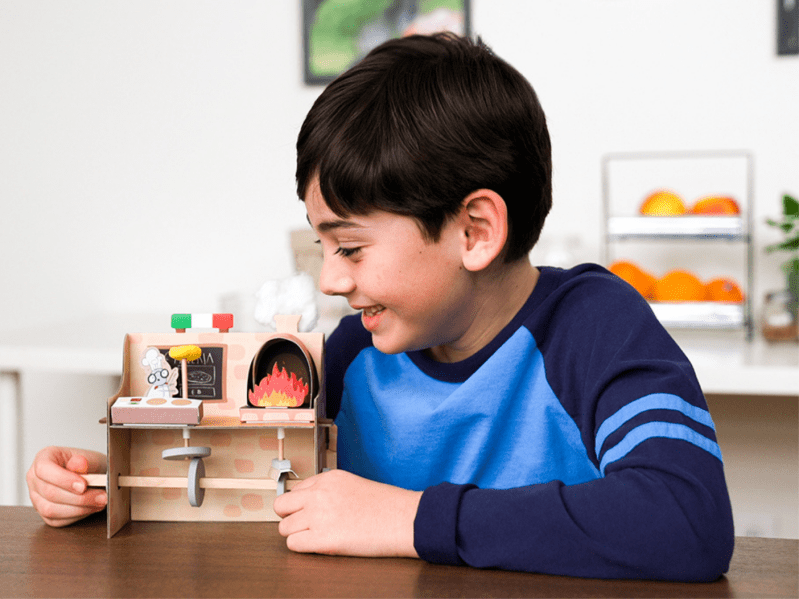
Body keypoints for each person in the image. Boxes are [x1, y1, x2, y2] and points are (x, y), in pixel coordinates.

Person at [26, 33, 734, 581]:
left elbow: (687, 518)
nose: (331, 280)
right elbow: (253, 475)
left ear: (473, 231)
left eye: (351, 247)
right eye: (322, 247)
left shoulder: (592, 327)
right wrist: (113, 483)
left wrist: (411, 519)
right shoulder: (352, 353)